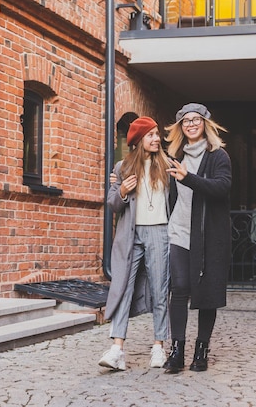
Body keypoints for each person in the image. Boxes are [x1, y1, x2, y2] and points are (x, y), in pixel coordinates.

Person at [162, 103, 232, 373]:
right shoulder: (174, 156)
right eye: (186, 121)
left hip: (209, 236)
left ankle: (201, 350)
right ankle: (177, 351)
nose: (191, 124)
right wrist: (118, 178)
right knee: (179, 287)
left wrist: (188, 177)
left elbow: (222, 188)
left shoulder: (218, 156)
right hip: (180, 231)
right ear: (180, 127)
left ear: (205, 124)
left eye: (196, 120)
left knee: (206, 293)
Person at [98, 116, 171, 371]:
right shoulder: (122, 167)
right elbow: (112, 204)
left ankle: (159, 346)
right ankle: (117, 349)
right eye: (151, 135)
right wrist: (121, 192)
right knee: (122, 288)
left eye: (157, 134)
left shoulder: (168, 166)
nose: (157, 139)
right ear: (139, 140)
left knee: (160, 290)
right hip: (130, 235)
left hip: (159, 233)